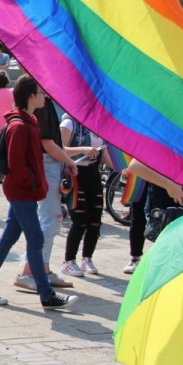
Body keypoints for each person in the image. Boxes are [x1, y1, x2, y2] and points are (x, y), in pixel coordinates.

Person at [0, 75, 79, 310]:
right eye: (41, 93)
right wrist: (33, 183)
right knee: (36, 239)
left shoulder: (27, 120)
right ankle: (46, 294)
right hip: (22, 191)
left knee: (10, 236)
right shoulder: (20, 125)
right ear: (31, 96)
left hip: (23, 190)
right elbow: (16, 164)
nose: (44, 96)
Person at [12, 87, 78, 291]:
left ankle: (43, 269)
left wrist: (64, 162)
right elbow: (48, 144)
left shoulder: (45, 102)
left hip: (50, 164)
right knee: (49, 220)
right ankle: (28, 272)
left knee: (50, 220)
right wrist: (69, 162)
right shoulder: (40, 104)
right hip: (47, 164)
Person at [58, 115, 105, 278]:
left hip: (93, 174)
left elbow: (104, 154)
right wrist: (82, 150)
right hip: (75, 173)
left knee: (95, 219)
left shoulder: (97, 124)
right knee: (79, 220)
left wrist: (123, 169)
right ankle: (68, 261)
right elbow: (59, 149)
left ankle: (87, 258)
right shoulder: (69, 123)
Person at [123, 159, 183, 274]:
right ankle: (136, 258)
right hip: (165, 208)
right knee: (139, 219)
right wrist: (169, 185)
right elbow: (135, 165)